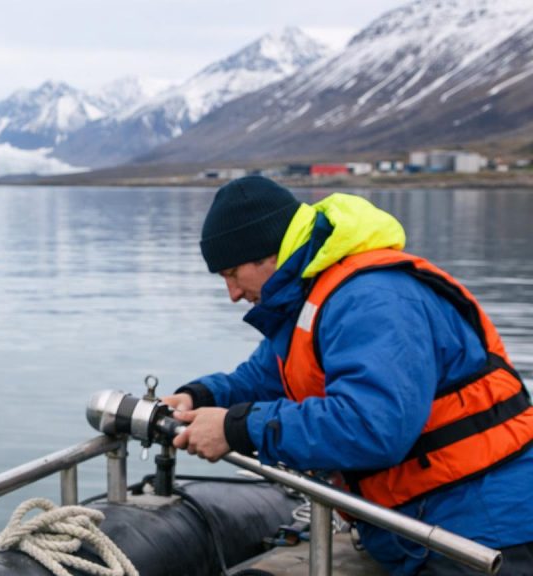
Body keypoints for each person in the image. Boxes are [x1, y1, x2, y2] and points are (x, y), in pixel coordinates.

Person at [163, 176, 533, 575]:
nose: (232, 293)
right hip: (419, 526)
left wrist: (239, 430)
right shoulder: (309, 297)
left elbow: (374, 426)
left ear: (268, 254)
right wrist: (199, 397)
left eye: (232, 273)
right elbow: (261, 376)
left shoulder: (372, 298)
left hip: (481, 534)